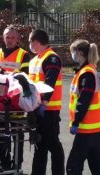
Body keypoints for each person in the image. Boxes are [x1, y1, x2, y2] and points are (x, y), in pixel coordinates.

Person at [0, 25, 31, 171]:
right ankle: (5, 163)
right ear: (3, 38)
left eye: (12, 37)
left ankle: (17, 165)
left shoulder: (23, 54)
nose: (9, 40)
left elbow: (25, 75)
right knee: (0, 133)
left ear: (18, 39)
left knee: (18, 134)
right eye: (7, 37)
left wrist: (4, 72)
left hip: (15, 100)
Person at [66, 39, 100, 175]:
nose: (71, 56)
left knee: (73, 165)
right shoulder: (88, 70)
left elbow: (83, 101)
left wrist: (76, 122)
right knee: (96, 160)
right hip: (93, 127)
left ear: (79, 53)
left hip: (86, 127)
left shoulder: (86, 73)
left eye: (72, 52)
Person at [28, 29, 65, 175]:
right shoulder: (35, 60)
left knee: (53, 145)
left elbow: (50, 83)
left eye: (30, 41)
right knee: (39, 145)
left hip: (49, 110)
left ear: (36, 42)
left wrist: (44, 103)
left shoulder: (51, 58)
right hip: (37, 109)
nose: (29, 44)